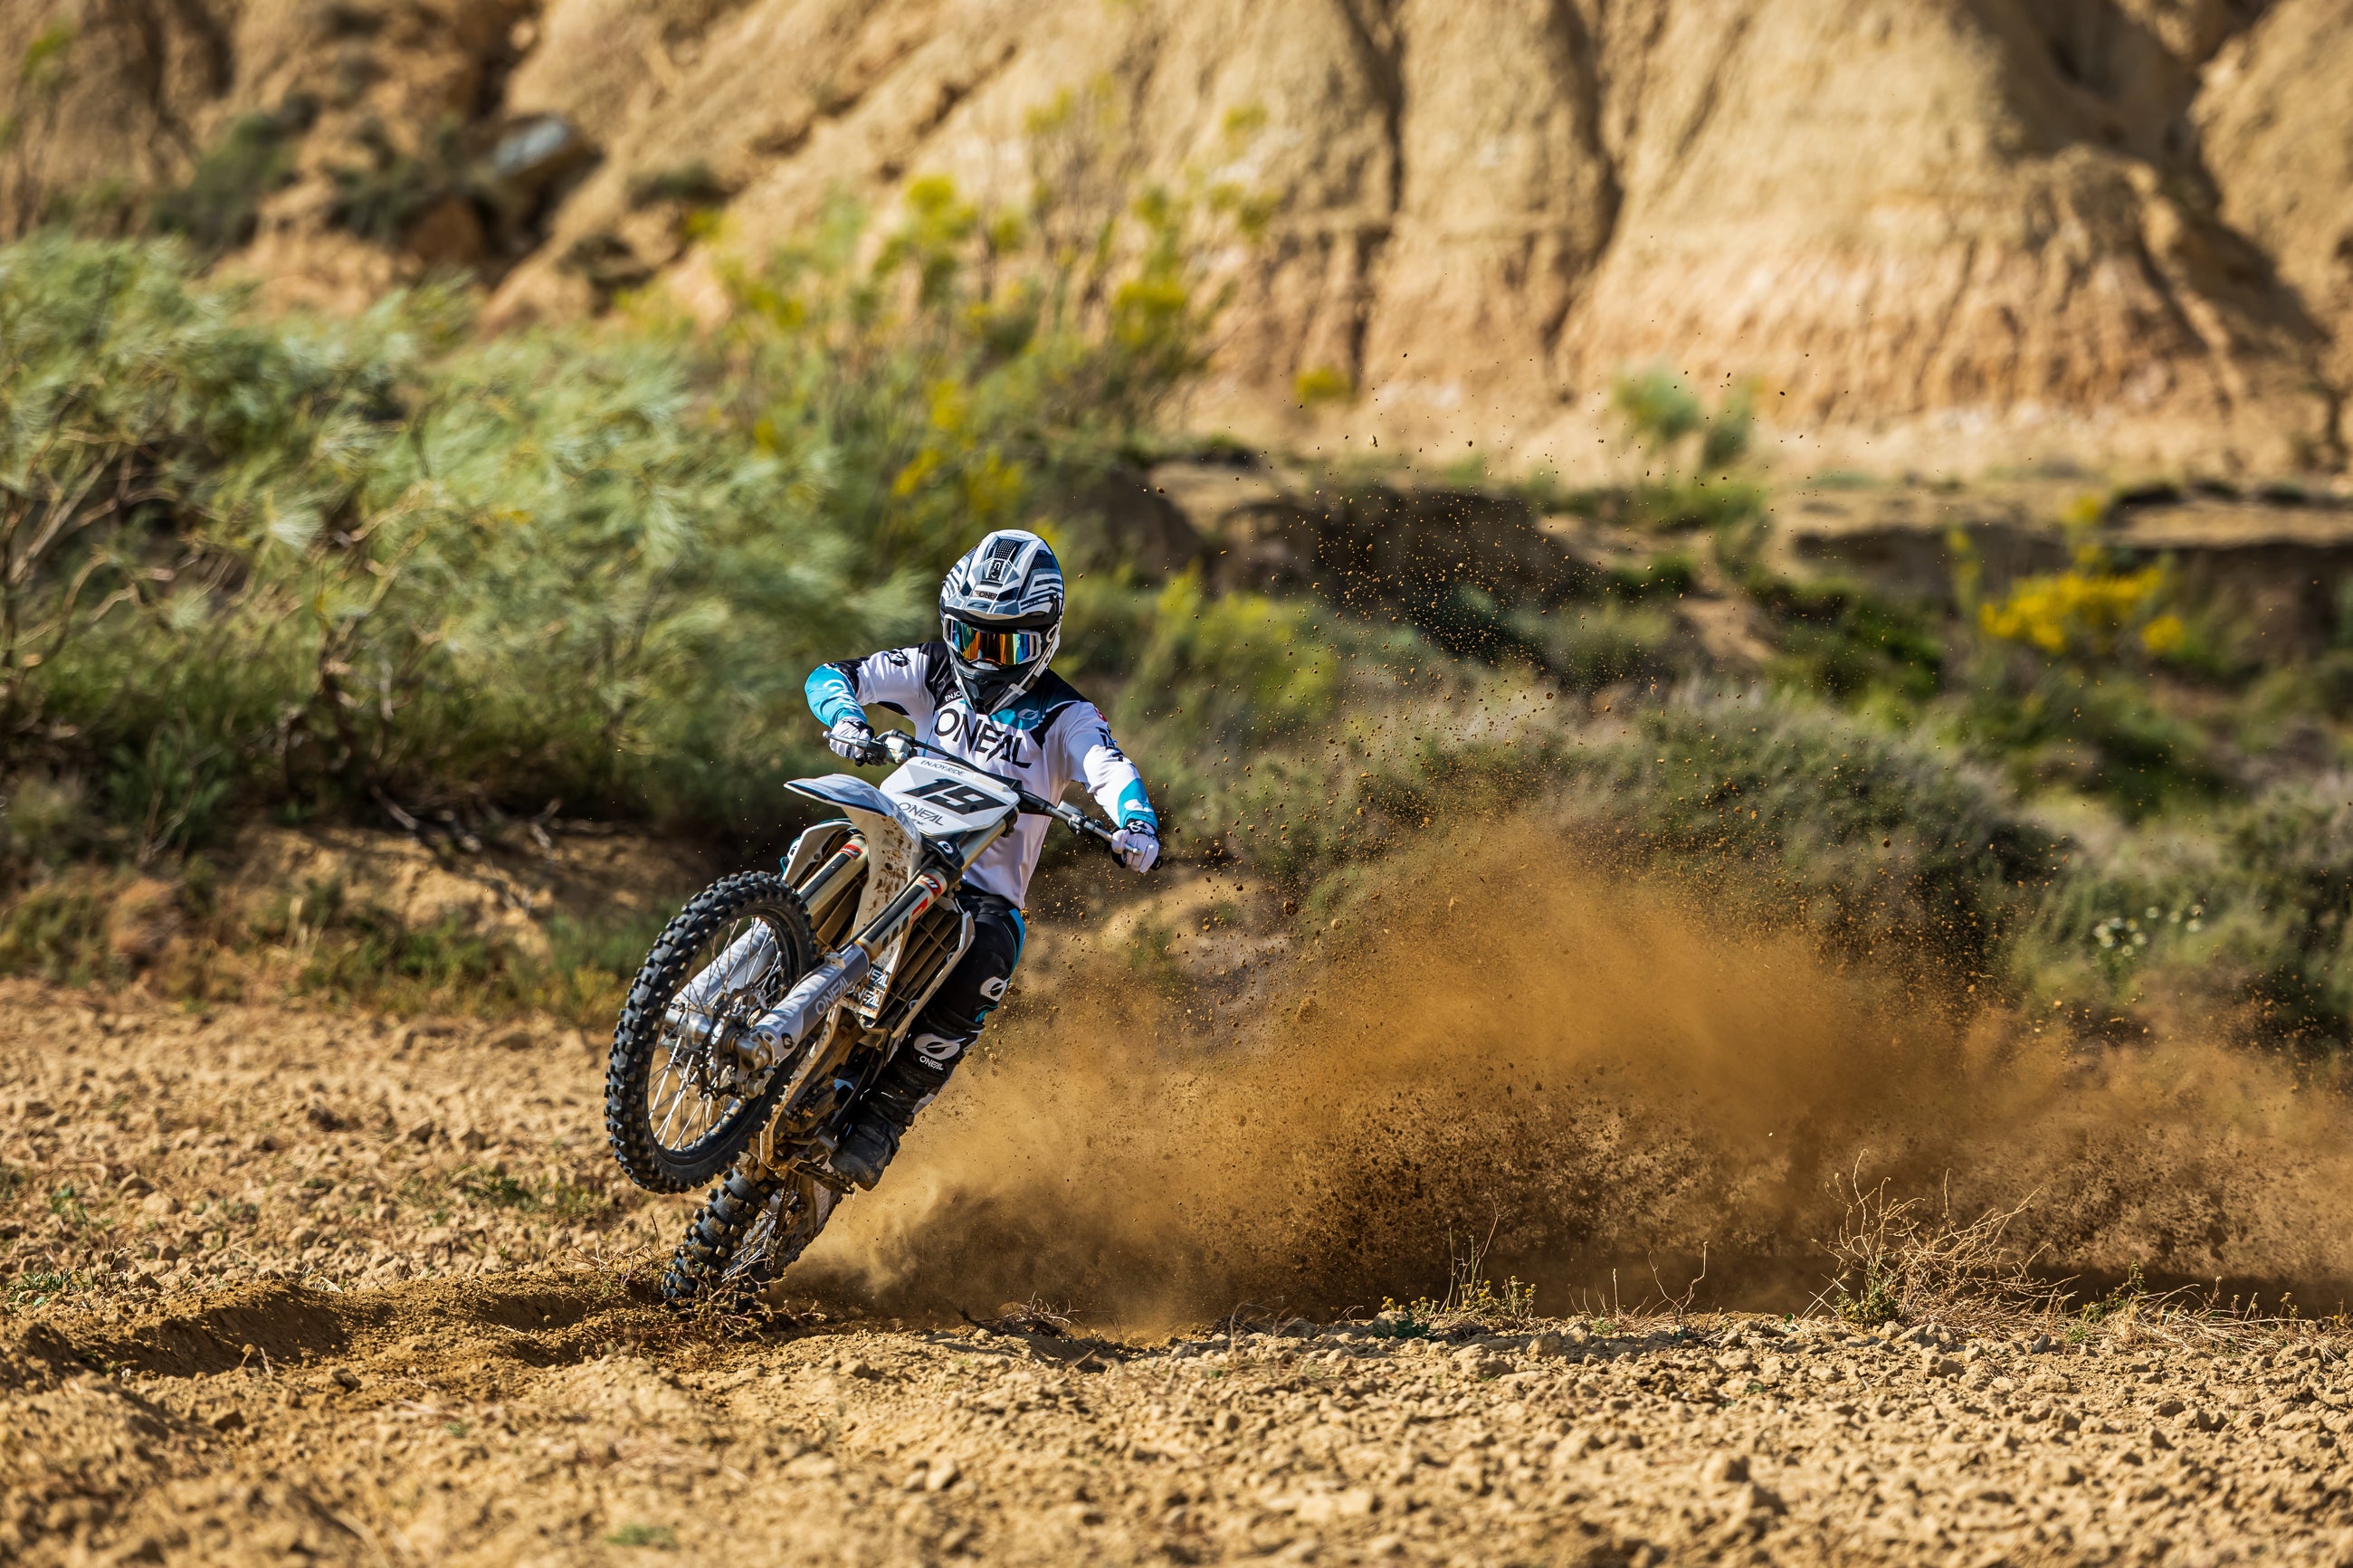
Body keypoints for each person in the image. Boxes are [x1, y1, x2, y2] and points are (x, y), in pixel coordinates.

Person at [801, 528, 1159, 1188]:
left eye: (1006, 645)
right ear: (950, 625)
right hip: (891, 840)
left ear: (1044, 637)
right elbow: (836, 675)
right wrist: (846, 716)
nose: (984, 659)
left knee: (996, 947)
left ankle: (886, 1112)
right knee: (827, 842)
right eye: (970, 637)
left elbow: (1107, 767)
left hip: (978, 888)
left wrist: (1134, 820)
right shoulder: (934, 667)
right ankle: (755, 968)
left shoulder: (1064, 713)